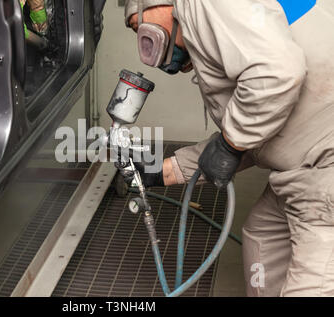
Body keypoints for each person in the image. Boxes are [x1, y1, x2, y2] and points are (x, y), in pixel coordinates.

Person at [122, 0, 334, 296]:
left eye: (137, 26)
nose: (143, 38)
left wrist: (230, 144)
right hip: (306, 161)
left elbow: (277, 75)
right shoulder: (232, 21)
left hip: (324, 172)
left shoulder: (205, 4)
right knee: (263, 232)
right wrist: (164, 172)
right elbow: (262, 124)